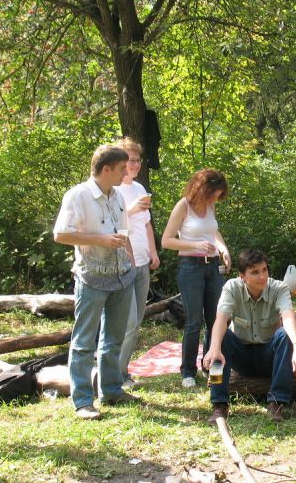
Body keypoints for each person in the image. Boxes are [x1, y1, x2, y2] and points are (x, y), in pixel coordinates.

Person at [54, 143, 137, 420]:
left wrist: (130, 259)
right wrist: (99, 240)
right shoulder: (77, 196)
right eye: (122, 169)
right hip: (91, 277)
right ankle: (82, 401)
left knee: (113, 338)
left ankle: (111, 390)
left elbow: (122, 232)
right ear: (106, 169)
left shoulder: (118, 197)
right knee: (83, 342)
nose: (127, 173)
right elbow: (61, 234)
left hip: (121, 275)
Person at [202, 249, 296, 423]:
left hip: (268, 355)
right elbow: (220, 320)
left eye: (264, 270)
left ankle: (277, 403)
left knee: (285, 335)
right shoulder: (231, 287)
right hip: (241, 355)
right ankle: (219, 404)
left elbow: (288, 316)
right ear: (242, 276)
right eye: (255, 272)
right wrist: (214, 349)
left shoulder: (279, 288)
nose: (262, 276)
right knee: (216, 339)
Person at [161, 169, 231, 389]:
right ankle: (187, 371)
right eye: (213, 194)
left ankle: (212, 365)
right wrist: (195, 245)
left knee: (217, 319)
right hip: (190, 267)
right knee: (194, 321)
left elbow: (213, 232)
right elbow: (167, 241)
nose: (215, 200)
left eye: (218, 196)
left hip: (212, 268)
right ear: (203, 189)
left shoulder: (211, 206)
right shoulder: (184, 205)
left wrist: (223, 248)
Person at [114, 138, 160, 389]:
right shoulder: (114, 189)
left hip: (142, 261)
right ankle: (116, 375)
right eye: (129, 160)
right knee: (127, 320)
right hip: (124, 262)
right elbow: (116, 221)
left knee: (137, 320)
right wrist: (130, 208)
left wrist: (154, 251)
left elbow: (146, 223)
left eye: (137, 160)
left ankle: (123, 371)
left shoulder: (140, 189)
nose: (134, 165)